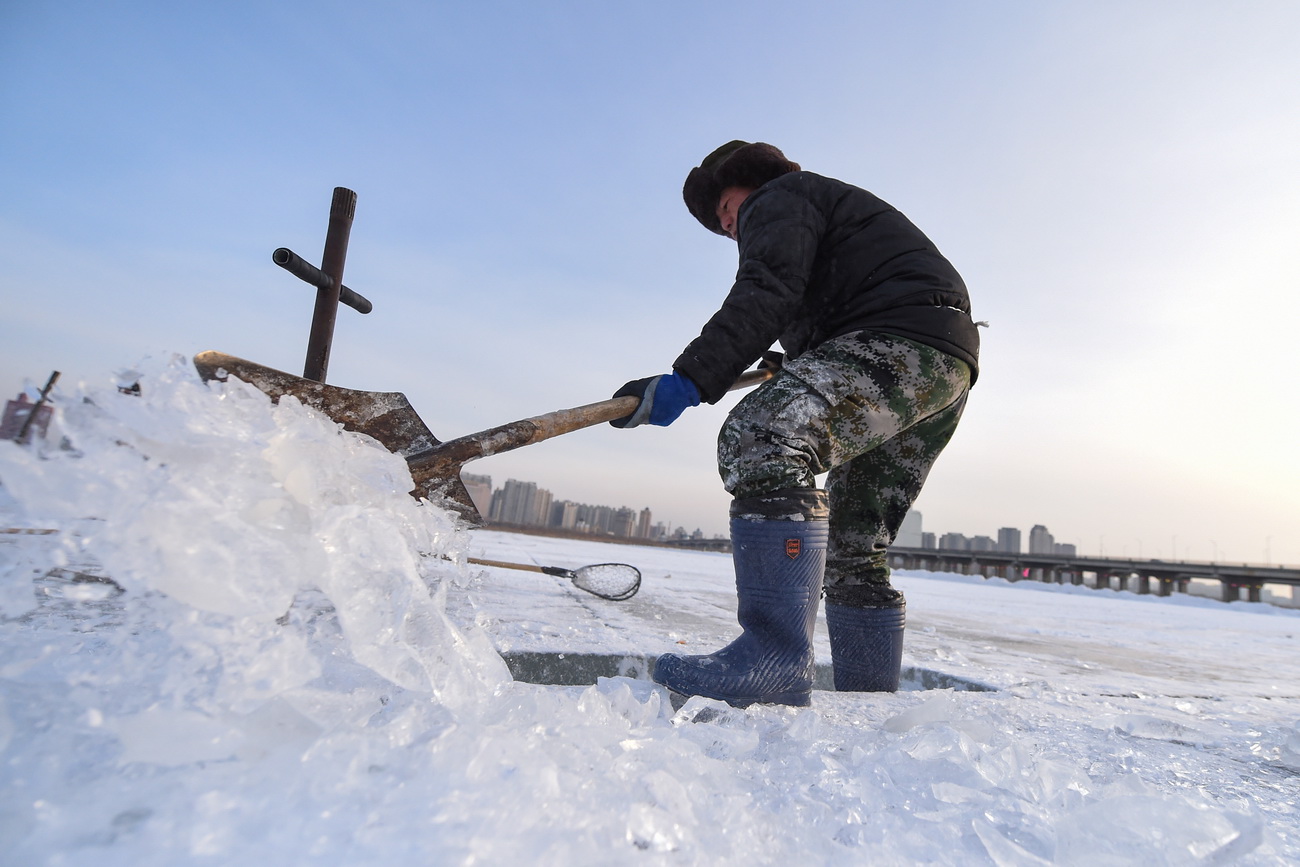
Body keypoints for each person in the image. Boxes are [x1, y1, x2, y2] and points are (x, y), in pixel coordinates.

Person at [610, 141, 980, 707]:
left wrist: (689, 378)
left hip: (897, 344)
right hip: (943, 365)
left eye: (728, 212)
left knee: (759, 438)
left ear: (747, 185)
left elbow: (768, 289)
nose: (732, 228)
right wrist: (799, 359)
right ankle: (870, 702)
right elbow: (828, 296)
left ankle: (773, 660)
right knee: (855, 547)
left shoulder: (780, 196)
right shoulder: (830, 212)